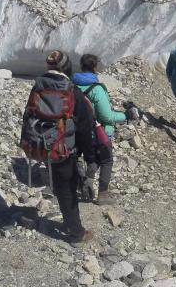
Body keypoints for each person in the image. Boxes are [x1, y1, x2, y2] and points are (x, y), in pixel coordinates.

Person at [31, 50, 96, 243]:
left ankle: (70, 223)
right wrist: (90, 156)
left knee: (59, 185)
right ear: (66, 68)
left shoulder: (38, 88)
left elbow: (30, 115)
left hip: (44, 144)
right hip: (66, 148)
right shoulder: (71, 91)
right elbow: (85, 127)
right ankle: (76, 232)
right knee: (68, 187)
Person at [73, 54, 125, 205]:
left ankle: (84, 183)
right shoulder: (96, 89)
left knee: (85, 158)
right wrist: (125, 116)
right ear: (95, 68)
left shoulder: (72, 86)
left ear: (82, 66)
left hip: (77, 131)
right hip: (97, 132)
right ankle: (103, 194)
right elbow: (107, 117)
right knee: (106, 160)